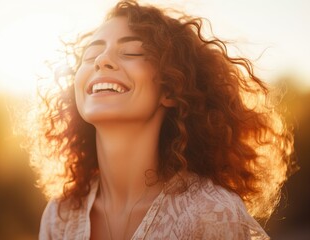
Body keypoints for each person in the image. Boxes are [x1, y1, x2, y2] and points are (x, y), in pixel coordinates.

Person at [27, 0, 295, 239]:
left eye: (131, 52)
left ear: (169, 89)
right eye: (90, 55)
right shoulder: (60, 215)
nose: (102, 60)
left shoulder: (211, 214)